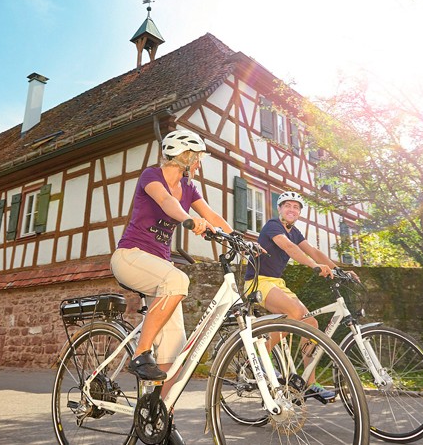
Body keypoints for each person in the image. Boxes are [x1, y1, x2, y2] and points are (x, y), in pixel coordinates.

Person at [111, 129, 232, 384]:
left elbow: (212, 216)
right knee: (178, 280)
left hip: (159, 269)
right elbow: (166, 201)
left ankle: (162, 414)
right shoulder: (151, 175)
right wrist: (189, 219)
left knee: (175, 351)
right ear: (184, 156)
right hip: (130, 256)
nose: (199, 163)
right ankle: (141, 353)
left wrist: (240, 240)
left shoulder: (189, 188)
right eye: (197, 157)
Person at [245, 191, 359, 402]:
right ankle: (260, 355)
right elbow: (289, 247)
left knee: (311, 323)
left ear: (299, 213)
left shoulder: (295, 232)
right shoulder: (273, 225)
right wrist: (314, 266)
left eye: (296, 207)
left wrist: (340, 270)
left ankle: (310, 383)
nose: (291, 210)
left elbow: (313, 251)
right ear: (279, 209)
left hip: (277, 283)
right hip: (258, 281)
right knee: (295, 312)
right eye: (287, 205)